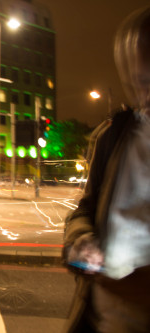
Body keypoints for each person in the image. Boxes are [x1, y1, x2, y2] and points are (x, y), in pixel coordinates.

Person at [63, 6, 150, 333]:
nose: (145, 94)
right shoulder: (114, 136)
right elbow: (85, 208)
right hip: (106, 318)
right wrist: (81, 239)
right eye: (139, 80)